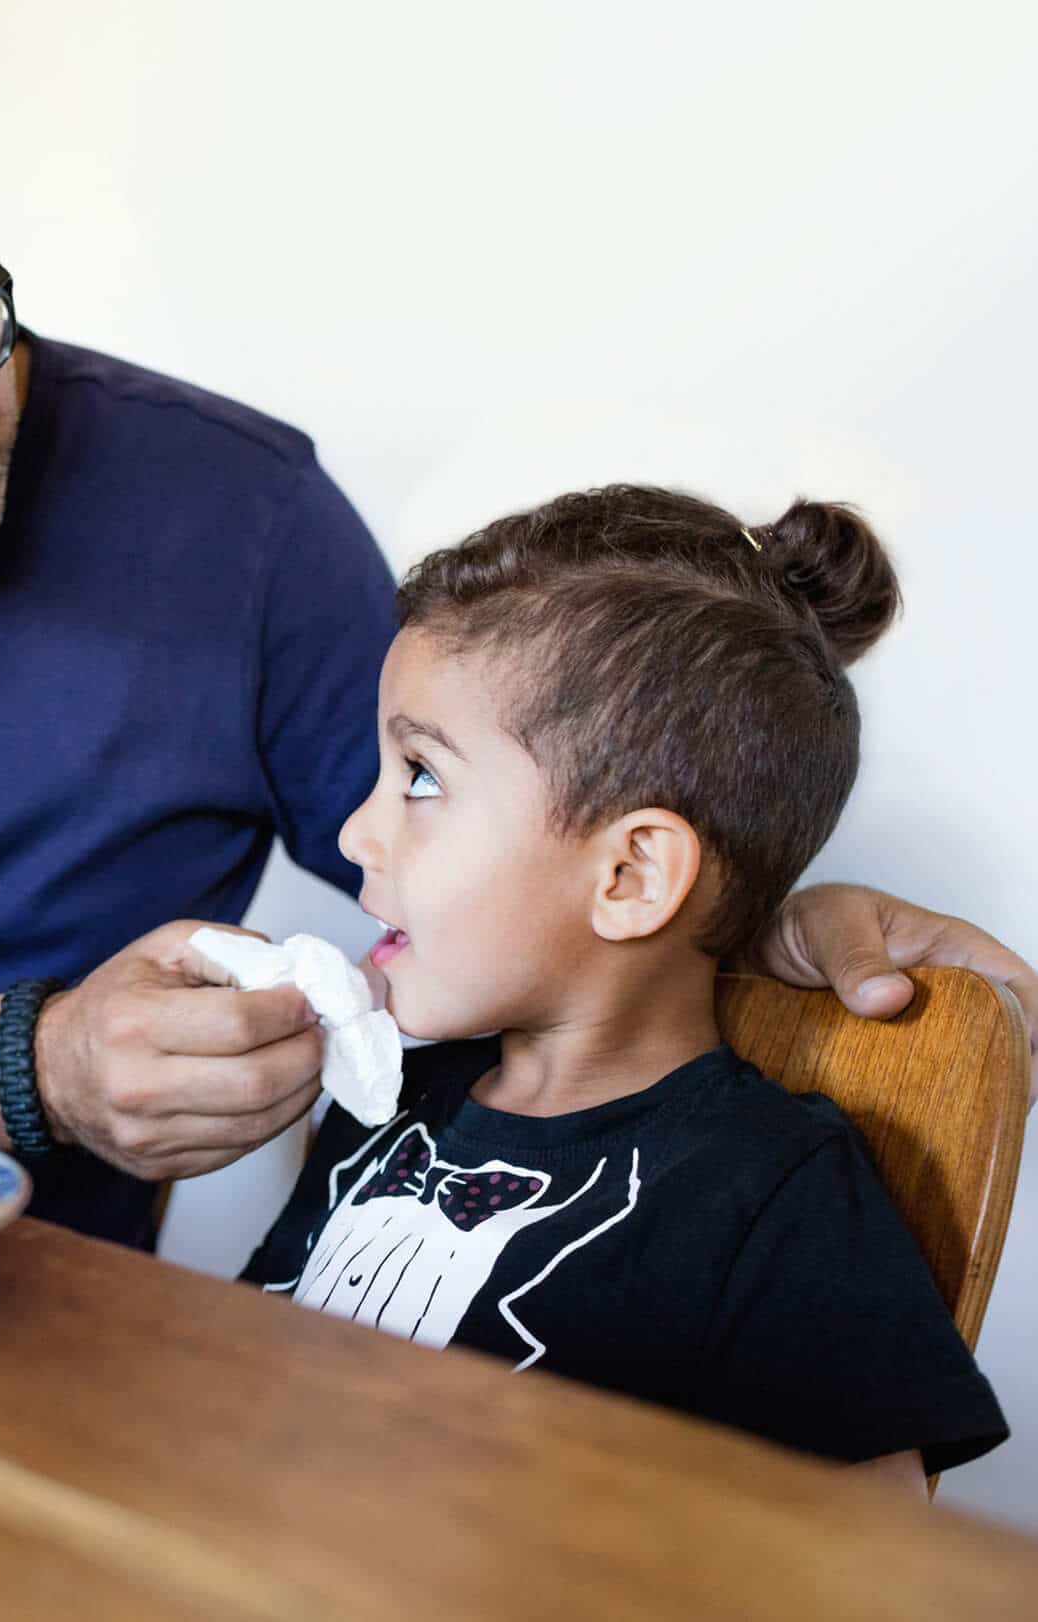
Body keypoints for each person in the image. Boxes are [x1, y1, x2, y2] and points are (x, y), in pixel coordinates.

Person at [0, 0, 1036, 1249]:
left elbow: (502, 854)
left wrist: (758, 905)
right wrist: (24, 1068)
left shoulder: (242, 514)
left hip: (39, 1348)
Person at [237, 487, 1007, 1488]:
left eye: (419, 776)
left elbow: (877, 1571)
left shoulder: (774, 1195)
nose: (351, 834)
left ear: (629, 875)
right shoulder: (381, 1096)